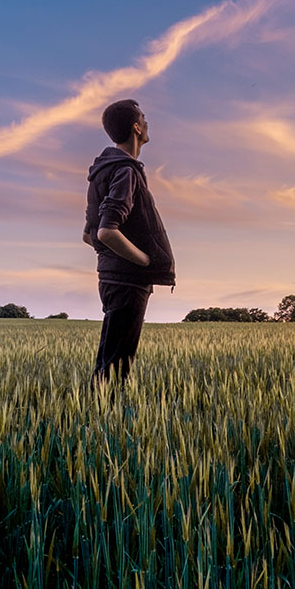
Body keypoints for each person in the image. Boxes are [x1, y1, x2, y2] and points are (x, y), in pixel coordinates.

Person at [83, 99, 175, 384]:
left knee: (109, 361)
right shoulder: (126, 170)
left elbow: (88, 234)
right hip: (128, 280)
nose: (148, 123)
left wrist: (111, 260)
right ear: (136, 128)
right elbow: (105, 232)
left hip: (111, 277)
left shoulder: (102, 171)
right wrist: (144, 261)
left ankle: (95, 416)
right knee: (117, 367)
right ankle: (103, 422)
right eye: (144, 118)